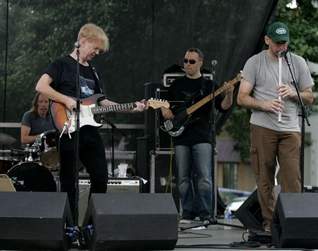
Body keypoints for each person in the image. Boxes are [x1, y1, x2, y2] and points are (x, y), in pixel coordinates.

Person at [35, 23, 145, 221]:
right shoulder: (61, 64)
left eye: (99, 50)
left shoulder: (93, 72)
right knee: (69, 181)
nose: (97, 52)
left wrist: (130, 106)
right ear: (82, 41)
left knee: (101, 177)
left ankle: (90, 225)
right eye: (95, 48)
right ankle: (68, 227)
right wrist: (67, 99)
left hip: (90, 130)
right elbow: (41, 86)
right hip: (68, 128)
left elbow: (102, 102)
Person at [237, 21, 314, 232]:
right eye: (277, 43)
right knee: (265, 176)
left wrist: (293, 93)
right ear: (267, 40)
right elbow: (241, 98)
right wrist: (263, 104)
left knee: (291, 177)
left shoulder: (297, 62)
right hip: (263, 126)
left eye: (284, 43)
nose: (281, 47)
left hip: (290, 127)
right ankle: (270, 224)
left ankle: (293, 223)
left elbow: (310, 97)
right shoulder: (255, 62)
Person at [161, 48, 234, 223]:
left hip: (202, 136)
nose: (187, 65)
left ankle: (206, 213)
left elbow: (223, 107)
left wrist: (230, 93)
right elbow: (168, 110)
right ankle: (187, 212)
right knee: (183, 178)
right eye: (185, 61)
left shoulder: (209, 86)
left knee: (204, 178)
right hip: (181, 136)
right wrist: (164, 110)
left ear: (201, 62)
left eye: (192, 61)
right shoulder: (176, 86)